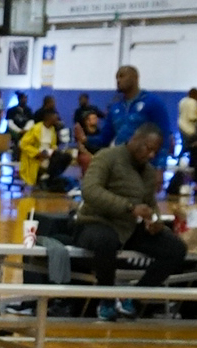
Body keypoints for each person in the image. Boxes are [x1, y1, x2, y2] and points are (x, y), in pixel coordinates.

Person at [75, 123, 187, 319]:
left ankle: (133, 299)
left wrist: (155, 220)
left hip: (127, 229)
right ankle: (106, 300)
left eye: (155, 151)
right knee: (106, 240)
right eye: (148, 148)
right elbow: (90, 190)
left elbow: (150, 204)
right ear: (135, 139)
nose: (151, 155)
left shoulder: (149, 171)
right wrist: (129, 207)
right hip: (95, 223)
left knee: (175, 248)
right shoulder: (106, 157)